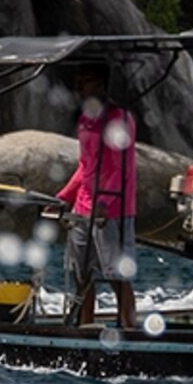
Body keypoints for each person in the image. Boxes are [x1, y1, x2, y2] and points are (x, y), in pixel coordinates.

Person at [51, 63, 140, 328]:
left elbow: (120, 168)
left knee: (116, 276)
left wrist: (104, 203)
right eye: (77, 81)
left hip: (111, 210)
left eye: (85, 81)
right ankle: (84, 326)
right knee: (82, 274)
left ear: (100, 84)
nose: (78, 87)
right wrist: (63, 198)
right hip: (83, 206)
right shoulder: (85, 120)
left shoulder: (119, 119)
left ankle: (129, 330)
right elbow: (85, 166)